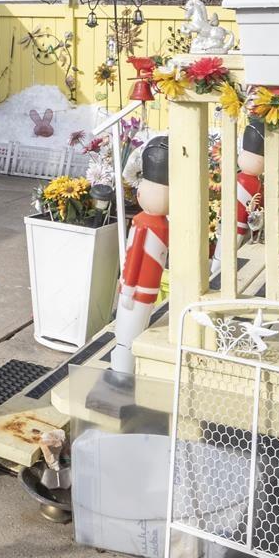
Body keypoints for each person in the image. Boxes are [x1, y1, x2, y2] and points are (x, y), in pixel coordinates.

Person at [107, 137, 170, 383]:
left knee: (129, 328)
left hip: (136, 289)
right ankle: (124, 363)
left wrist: (127, 287)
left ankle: (123, 366)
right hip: (144, 288)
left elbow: (133, 257)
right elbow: (136, 257)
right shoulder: (157, 224)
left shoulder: (145, 223)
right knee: (133, 327)